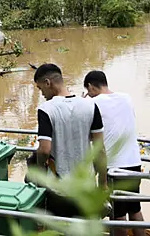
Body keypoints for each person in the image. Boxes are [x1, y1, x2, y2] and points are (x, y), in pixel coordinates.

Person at [34, 63, 108, 217]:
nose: (42, 94)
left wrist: (40, 174)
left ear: (48, 83)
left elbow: (44, 150)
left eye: (41, 89)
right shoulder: (90, 106)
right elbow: (100, 148)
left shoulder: (46, 109)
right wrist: (103, 184)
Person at [83, 70, 145, 236]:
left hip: (114, 167)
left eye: (88, 92)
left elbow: (89, 135)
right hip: (134, 163)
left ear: (90, 87)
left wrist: (83, 104)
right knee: (135, 210)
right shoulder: (126, 98)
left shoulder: (93, 104)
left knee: (117, 215)